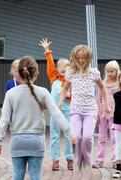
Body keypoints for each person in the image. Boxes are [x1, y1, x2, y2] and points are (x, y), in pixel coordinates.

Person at [0, 56, 76, 180]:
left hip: (17, 140)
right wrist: (69, 132)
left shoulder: (11, 93)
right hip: (36, 141)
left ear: (19, 73)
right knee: (36, 176)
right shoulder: (43, 92)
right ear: (37, 73)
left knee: (17, 175)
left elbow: (4, 119)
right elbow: (56, 114)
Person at [58, 45, 111, 170]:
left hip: (90, 110)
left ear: (88, 58)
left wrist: (106, 105)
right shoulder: (71, 72)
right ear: (75, 58)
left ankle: (86, 157)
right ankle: (77, 157)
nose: (81, 61)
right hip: (75, 109)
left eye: (84, 58)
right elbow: (65, 87)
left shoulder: (94, 72)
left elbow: (102, 87)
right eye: (79, 58)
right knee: (76, 136)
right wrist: (60, 101)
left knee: (87, 136)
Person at [39, 38, 73, 171]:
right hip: (54, 112)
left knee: (68, 135)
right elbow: (50, 64)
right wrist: (47, 50)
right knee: (54, 135)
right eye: (61, 66)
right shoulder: (54, 77)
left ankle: (70, 159)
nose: (64, 68)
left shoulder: (71, 81)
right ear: (57, 69)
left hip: (67, 110)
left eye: (66, 66)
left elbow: (73, 96)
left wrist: (68, 95)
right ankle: (55, 160)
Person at [92, 60, 120, 169]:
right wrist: (98, 113)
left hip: (114, 115)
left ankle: (115, 160)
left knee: (114, 138)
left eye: (112, 71)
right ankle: (99, 160)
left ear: (117, 71)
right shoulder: (103, 84)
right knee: (101, 138)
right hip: (103, 113)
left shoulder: (119, 85)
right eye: (107, 71)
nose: (109, 73)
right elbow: (99, 98)